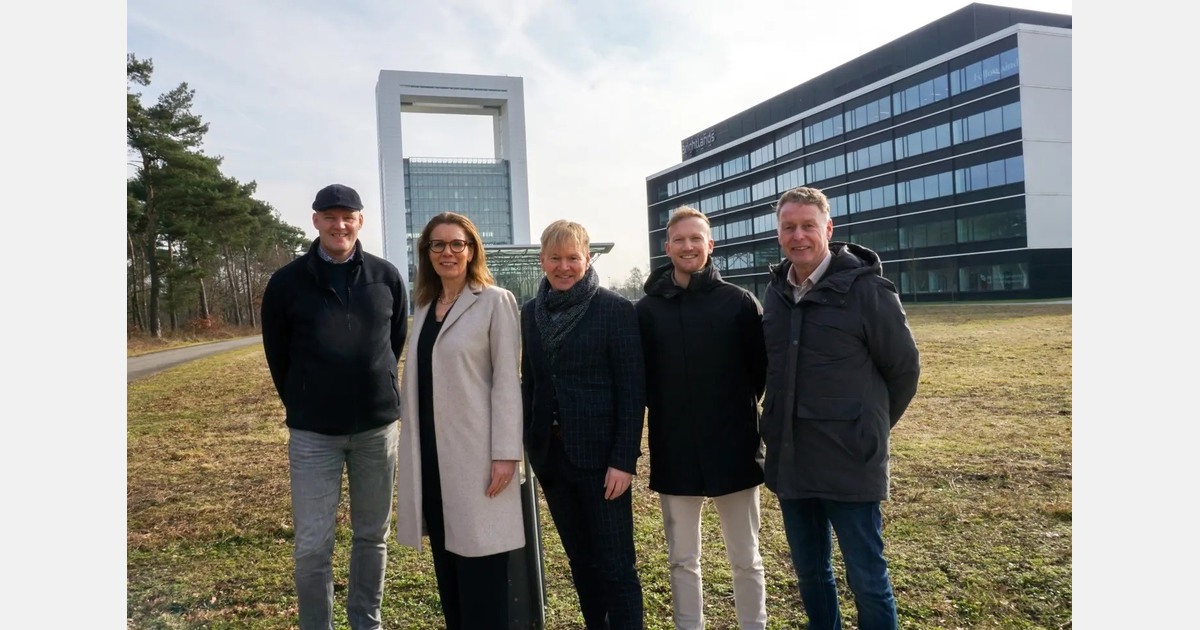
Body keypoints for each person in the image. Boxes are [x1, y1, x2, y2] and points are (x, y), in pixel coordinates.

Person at [762, 187, 921, 630]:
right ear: (779, 233)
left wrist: (870, 428)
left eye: (808, 226)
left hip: (850, 462)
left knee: (867, 578)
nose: (798, 236)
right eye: (789, 227)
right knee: (811, 574)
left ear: (828, 230)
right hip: (792, 461)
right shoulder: (775, 294)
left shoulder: (868, 290)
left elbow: (904, 370)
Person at [260, 183, 408, 630]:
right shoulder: (287, 283)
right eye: (329, 216)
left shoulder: (385, 277)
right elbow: (277, 354)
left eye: (347, 216)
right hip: (313, 436)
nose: (339, 224)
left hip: (376, 431)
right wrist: (306, 400)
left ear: (360, 221)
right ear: (315, 221)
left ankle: (366, 621)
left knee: (372, 536)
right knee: (311, 544)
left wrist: (377, 387)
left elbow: (394, 341)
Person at [635, 206, 769, 630]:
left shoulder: (740, 303)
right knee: (681, 560)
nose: (688, 246)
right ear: (667, 246)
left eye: (697, 238)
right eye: (680, 239)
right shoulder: (647, 310)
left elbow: (760, 376)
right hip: (675, 450)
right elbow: (644, 379)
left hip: (735, 450)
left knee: (746, 557)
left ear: (710, 245)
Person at [392, 212, 525, 629]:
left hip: (479, 459)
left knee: (481, 578)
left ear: (471, 251)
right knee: (449, 577)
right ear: (427, 253)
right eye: (438, 245)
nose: (447, 252)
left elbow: (507, 380)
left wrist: (506, 453)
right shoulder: (425, 308)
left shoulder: (494, 300)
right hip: (432, 459)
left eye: (456, 244)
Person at [520, 219, 646, 629]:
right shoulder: (529, 313)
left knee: (616, 566)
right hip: (553, 461)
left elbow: (632, 391)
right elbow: (532, 382)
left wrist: (624, 460)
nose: (564, 266)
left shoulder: (614, 310)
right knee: (581, 561)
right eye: (555, 258)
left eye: (573, 257)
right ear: (542, 260)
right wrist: (532, 442)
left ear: (587, 258)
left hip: (602, 464)